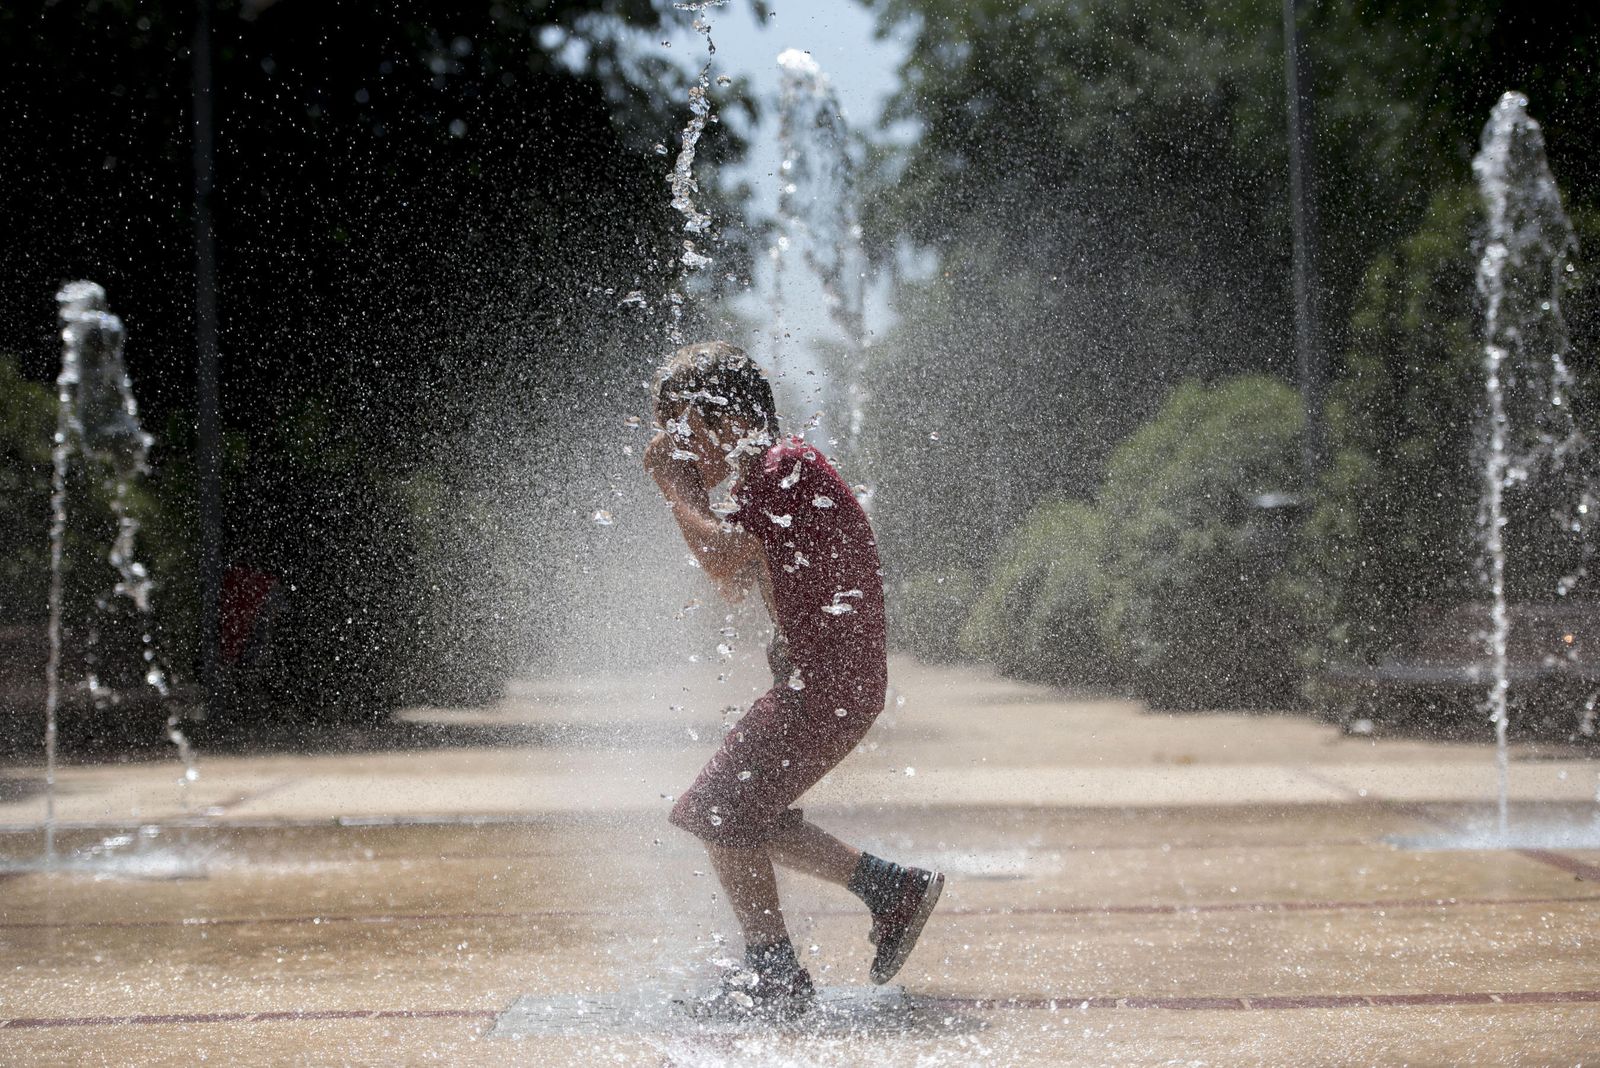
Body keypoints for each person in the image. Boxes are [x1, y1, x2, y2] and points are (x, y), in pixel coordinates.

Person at [642, 340, 944, 1019]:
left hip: (828, 686)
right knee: (747, 815)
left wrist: (676, 490)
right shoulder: (772, 478)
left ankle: (775, 975)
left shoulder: (785, 467)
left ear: (718, 418)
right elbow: (738, 578)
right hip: (827, 683)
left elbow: (719, 559)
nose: (676, 448)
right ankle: (889, 889)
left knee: (719, 809)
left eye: (678, 430)